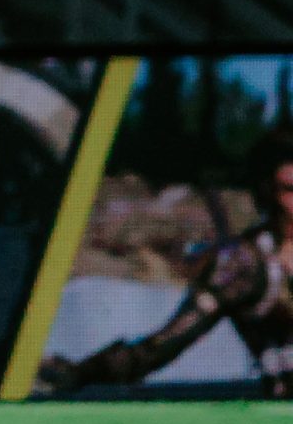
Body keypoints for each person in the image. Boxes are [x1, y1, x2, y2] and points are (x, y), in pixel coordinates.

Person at [40, 141, 293, 399]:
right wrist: (82, 373)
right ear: (268, 193)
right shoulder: (245, 264)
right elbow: (165, 343)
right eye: (289, 190)